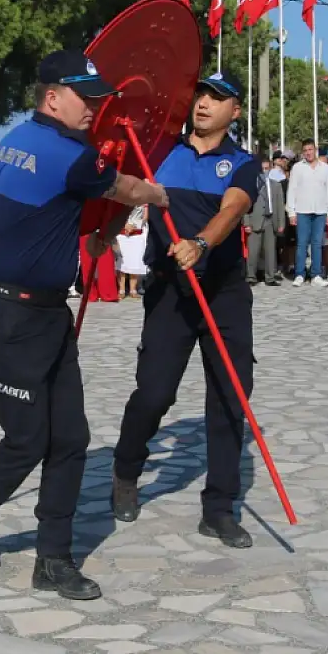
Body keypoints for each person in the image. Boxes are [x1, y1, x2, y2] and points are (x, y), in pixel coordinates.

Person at [0, 49, 169, 601]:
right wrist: (157, 192)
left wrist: (97, 234)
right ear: (52, 96)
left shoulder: (16, 139)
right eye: (85, 98)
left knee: (70, 438)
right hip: (11, 315)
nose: (95, 109)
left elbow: (66, 209)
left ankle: (54, 559)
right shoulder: (69, 154)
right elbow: (125, 190)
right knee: (27, 440)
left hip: (44, 313)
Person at [112, 75, 259, 548]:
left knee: (229, 398)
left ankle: (219, 508)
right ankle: (126, 470)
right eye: (200, 94)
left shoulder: (242, 163)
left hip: (223, 291)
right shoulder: (158, 153)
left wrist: (200, 242)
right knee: (154, 394)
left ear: (235, 111)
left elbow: (233, 208)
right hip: (170, 292)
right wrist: (105, 227)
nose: (203, 103)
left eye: (217, 98)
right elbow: (128, 191)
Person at [285, 140, 328, 286]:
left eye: (310, 149)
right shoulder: (297, 168)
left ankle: (316, 275)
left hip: (320, 211)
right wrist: (291, 213)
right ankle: (300, 274)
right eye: (305, 150)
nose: (308, 152)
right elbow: (291, 190)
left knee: (317, 244)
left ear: (315, 150)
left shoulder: (325, 168)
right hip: (302, 211)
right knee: (302, 244)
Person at [243, 160, 286, 285]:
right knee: (253, 251)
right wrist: (246, 222)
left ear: (271, 168)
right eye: (263, 169)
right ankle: (251, 276)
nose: (265, 171)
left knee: (270, 251)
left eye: (267, 168)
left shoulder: (276, 185)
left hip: (270, 220)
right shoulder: (252, 185)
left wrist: (281, 223)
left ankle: (270, 277)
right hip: (254, 220)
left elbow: (279, 205)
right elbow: (245, 205)